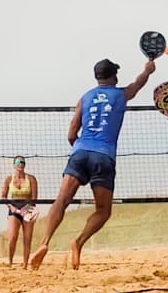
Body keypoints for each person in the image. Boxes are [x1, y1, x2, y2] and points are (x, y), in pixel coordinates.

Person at [29, 57, 156, 270]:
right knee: (103, 210)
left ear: (97, 77)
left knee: (62, 199)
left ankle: (44, 243)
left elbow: (71, 130)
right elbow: (138, 84)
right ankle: (78, 242)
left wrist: (78, 148)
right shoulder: (120, 94)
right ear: (114, 76)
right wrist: (148, 70)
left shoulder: (85, 97)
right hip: (103, 156)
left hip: (80, 151)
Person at [0, 156, 38, 267]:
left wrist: (26, 209)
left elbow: (34, 198)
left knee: (27, 238)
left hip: (29, 209)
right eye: (18, 162)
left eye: (22, 162)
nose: (20, 164)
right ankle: (10, 262)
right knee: (12, 237)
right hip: (14, 208)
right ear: (14, 165)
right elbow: (3, 196)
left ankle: (25, 264)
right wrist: (11, 207)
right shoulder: (8, 179)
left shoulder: (31, 179)